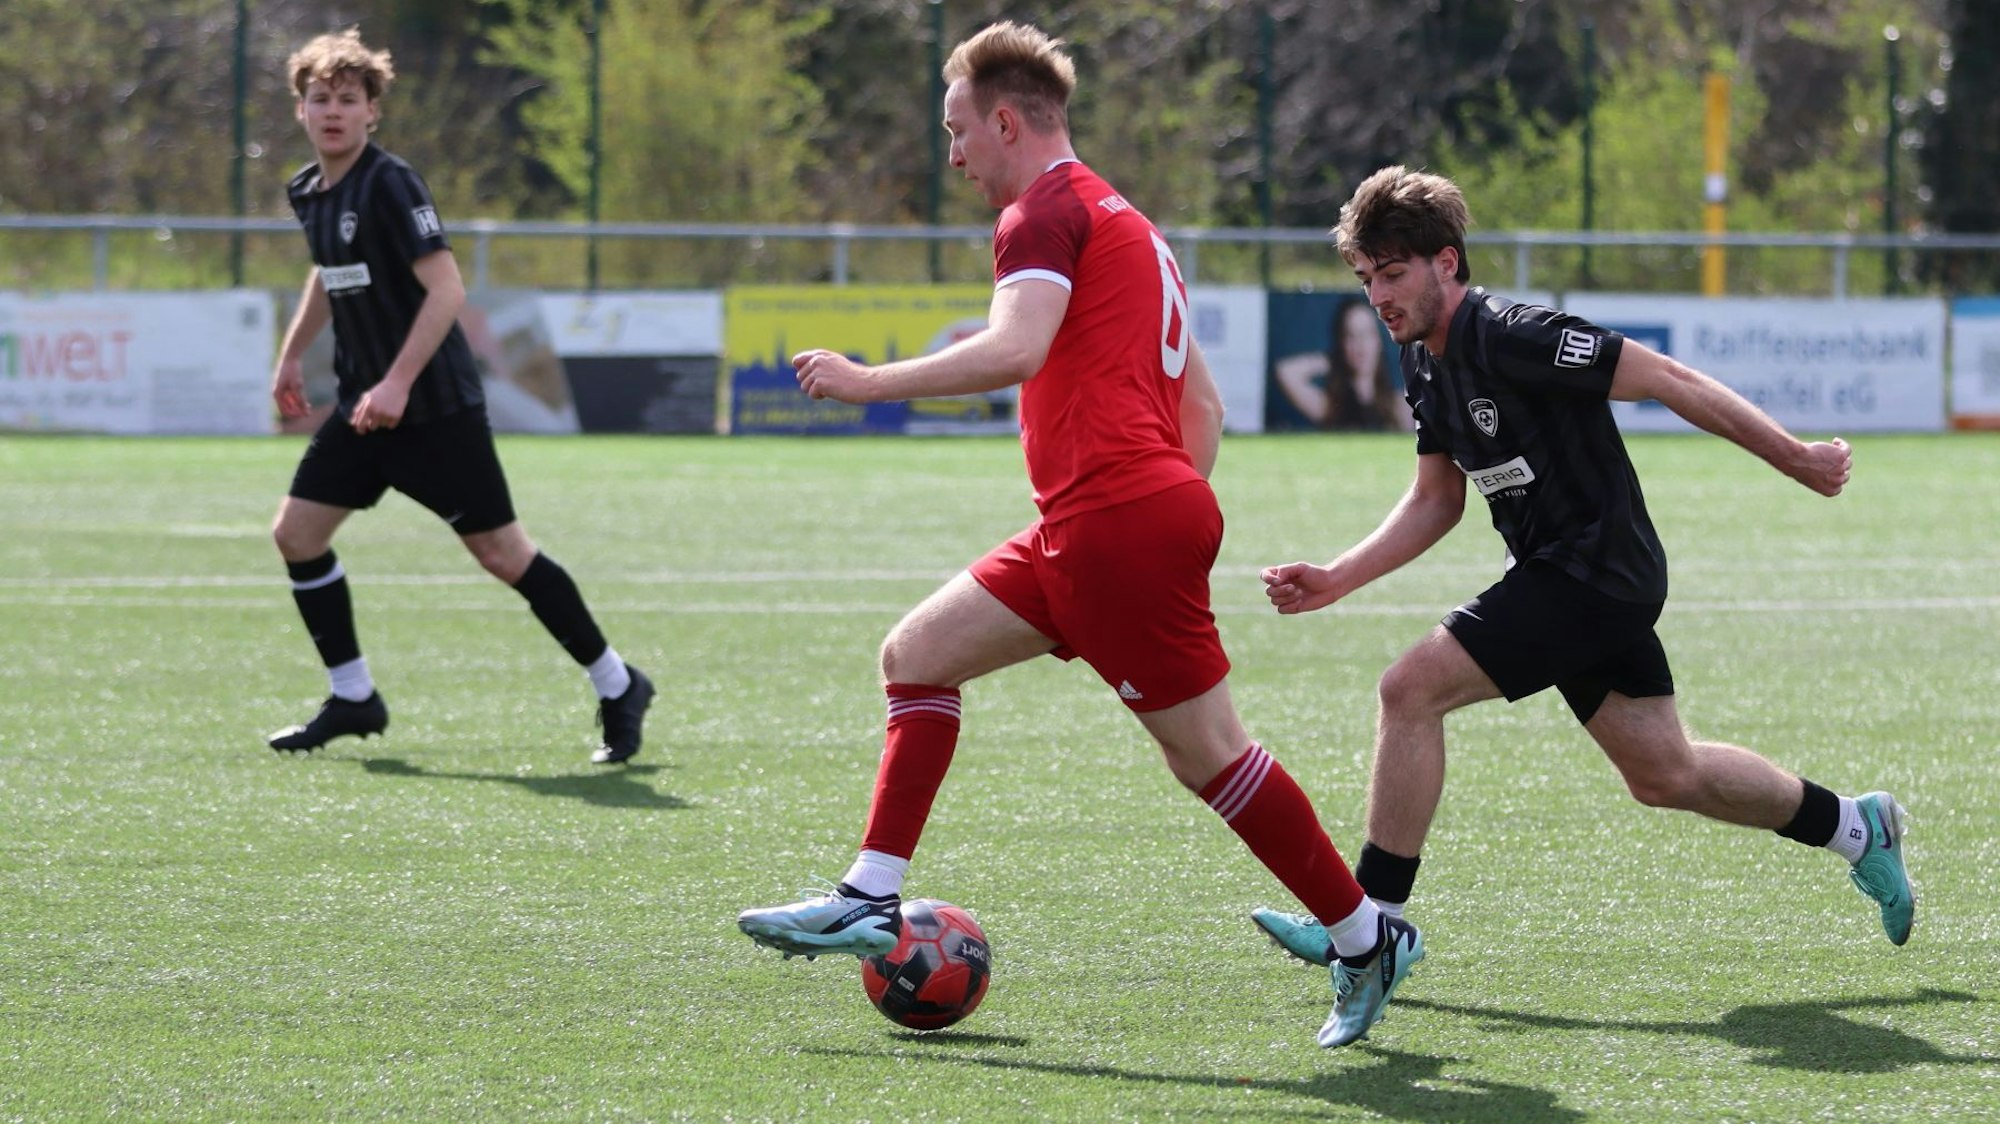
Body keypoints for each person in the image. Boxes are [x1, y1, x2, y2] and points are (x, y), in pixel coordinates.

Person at [735, 21, 1416, 1049]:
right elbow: (1207, 409)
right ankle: (869, 894)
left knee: (1210, 758)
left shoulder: (1041, 208)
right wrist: (1161, 505)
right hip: (1100, 520)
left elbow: (1015, 348)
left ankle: (1365, 936)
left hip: (1113, 522)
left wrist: (870, 382)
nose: (953, 152)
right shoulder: (1128, 222)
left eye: (958, 129)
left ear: (1006, 120)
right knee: (915, 653)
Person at [1249, 165, 1915, 977]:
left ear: (1446, 263)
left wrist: (1797, 457)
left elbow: (1668, 378)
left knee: (1408, 690)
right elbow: (1436, 500)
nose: (1378, 296)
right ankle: (1856, 827)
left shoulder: (1516, 333)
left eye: (1393, 275)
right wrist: (1337, 578)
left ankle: (1372, 926)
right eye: (1366, 280)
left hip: (1594, 570)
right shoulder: (1422, 360)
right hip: (1566, 575)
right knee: (1665, 774)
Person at [264, 29, 655, 764]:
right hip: (362, 410)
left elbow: (447, 289)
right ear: (301, 110)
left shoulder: (391, 182)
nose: (334, 112)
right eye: (320, 99)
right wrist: (291, 357)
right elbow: (327, 270)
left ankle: (617, 683)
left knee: (503, 554)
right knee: (296, 535)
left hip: (433, 410)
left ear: (373, 111)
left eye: (349, 99)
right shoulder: (307, 190)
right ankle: (353, 696)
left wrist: (398, 382)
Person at [1273, 297, 1412, 431]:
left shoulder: (1400, 406)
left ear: (1378, 341)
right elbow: (1285, 371)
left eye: (1367, 334)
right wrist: (1333, 360)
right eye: (1351, 335)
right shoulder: (1328, 407)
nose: (1360, 344)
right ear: (1341, 343)